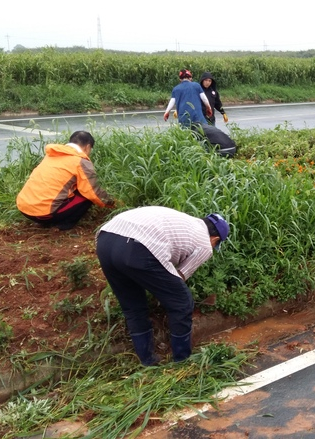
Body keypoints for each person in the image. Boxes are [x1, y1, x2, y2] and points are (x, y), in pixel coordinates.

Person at [95, 206, 230, 365]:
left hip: (106, 240)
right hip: (137, 247)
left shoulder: (188, 222)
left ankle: (148, 361)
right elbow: (180, 276)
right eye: (216, 244)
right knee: (182, 302)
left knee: (133, 306)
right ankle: (182, 360)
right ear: (215, 239)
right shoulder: (205, 244)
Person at [16, 130, 115, 230]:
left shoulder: (51, 155)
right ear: (87, 147)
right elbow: (94, 193)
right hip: (46, 213)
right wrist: (114, 204)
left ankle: (45, 221)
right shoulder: (80, 161)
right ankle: (64, 225)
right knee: (87, 193)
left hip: (24, 209)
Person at [163, 69, 237, 158]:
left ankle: (191, 155)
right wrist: (209, 108)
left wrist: (167, 112)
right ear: (190, 78)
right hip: (199, 118)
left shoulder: (176, 88)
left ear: (180, 79)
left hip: (184, 120)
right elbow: (204, 98)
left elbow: (172, 101)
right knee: (205, 134)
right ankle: (206, 154)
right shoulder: (196, 86)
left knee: (188, 137)